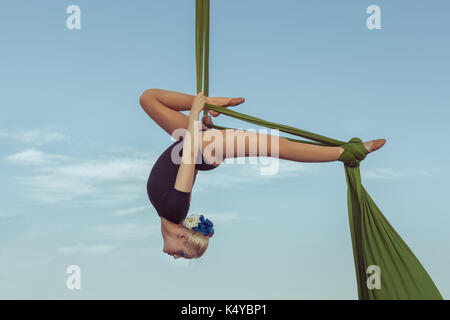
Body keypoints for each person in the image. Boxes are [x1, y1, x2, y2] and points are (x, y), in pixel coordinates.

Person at [140, 89, 386, 260]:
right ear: (183, 234)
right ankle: (346, 153)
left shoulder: (168, 210)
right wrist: (194, 117)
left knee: (148, 98)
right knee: (276, 147)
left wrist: (198, 120)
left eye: (181, 255)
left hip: (196, 144)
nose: (175, 256)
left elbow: (187, 164)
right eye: (182, 254)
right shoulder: (175, 209)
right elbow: (189, 157)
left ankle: (213, 102)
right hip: (204, 148)